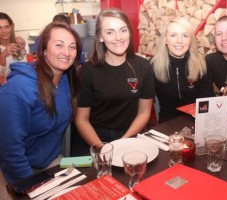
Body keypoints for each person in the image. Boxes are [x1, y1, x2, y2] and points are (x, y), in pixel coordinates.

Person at [0, 22, 82, 186]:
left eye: (72, 47)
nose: (66, 52)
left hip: (52, 161)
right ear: (44, 50)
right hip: (24, 170)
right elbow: (10, 150)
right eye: (59, 45)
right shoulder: (18, 89)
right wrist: (31, 185)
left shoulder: (65, 79)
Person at [74, 8, 154, 154]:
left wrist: (123, 142)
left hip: (130, 134)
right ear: (100, 37)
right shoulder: (88, 70)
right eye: (110, 32)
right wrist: (103, 148)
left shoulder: (143, 67)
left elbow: (144, 112)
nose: (118, 37)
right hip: (94, 137)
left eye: (123, 30)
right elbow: (81, 119)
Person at [151, 17, 215, 123]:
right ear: (165, 39)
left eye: (185, 35)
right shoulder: (153, 65)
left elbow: (208, 101)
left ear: (190, 40)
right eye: (173, 35)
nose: (179, 41)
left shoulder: (201, 64)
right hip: (167, 124)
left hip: (196, 123)